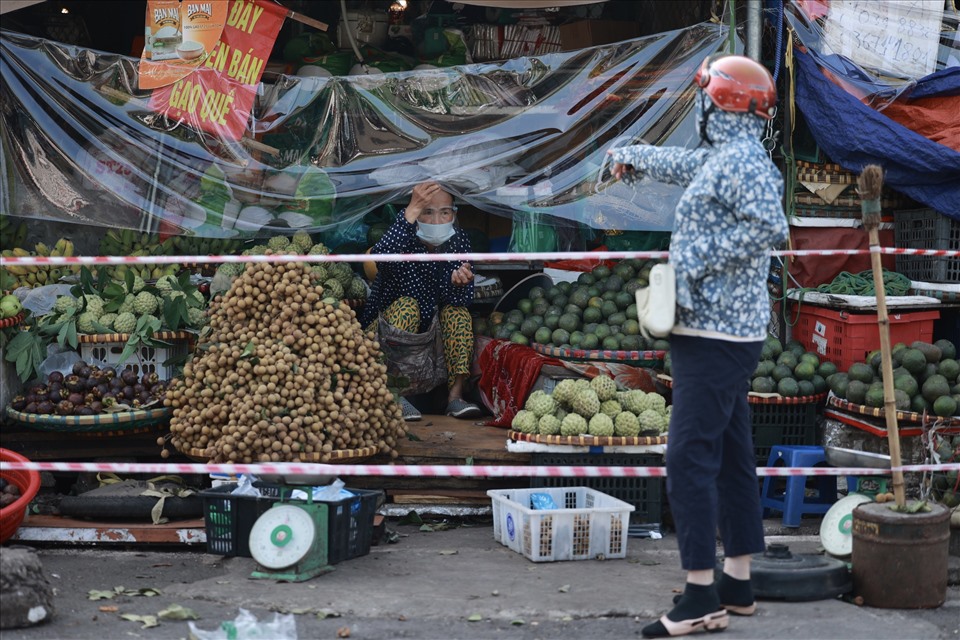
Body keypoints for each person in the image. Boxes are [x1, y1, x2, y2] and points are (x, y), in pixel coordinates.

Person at [608, 54, 789, 638]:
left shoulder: (743, 162)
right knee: (733, 455)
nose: (699, 110)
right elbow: (690, 164)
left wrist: (690, 266)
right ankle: (736, 581)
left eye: (705, 100)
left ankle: (699, 595)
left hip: (716, 334)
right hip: (720, 332)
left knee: (686, 459)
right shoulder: (727, 157)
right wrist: (632, 155)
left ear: (721, 105)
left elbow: (771, 228)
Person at [359, 181, 482, 421]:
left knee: (457, 312)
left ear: (453, 214)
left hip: (429, 343)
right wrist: (413, 209)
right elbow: (379, 258)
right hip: (383, 339)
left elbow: (464, 300)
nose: (437, 221)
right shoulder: (403, 238)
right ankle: (393, 395)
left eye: (444, 212)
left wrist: (458, 284)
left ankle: (455, 398)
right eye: (428, 211)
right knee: (407, 306)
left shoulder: (458, 242)